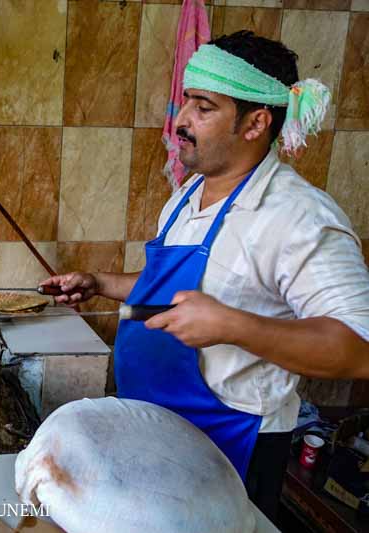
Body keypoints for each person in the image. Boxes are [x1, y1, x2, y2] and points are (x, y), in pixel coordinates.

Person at [41, 30, 369, 522]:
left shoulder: (300, 218)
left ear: (256, 122)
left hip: (231, 444)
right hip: (154, 424)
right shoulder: (189, 195)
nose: (182, 121)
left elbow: (357, 348)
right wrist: (102, 282)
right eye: (186, 102)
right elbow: (175, 291)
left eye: (204, 107)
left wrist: (232, 326)